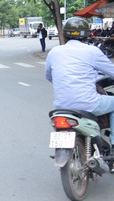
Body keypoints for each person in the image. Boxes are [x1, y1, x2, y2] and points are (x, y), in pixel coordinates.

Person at [46, 17, 114, 150]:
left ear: (65, 34)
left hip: (61, 107)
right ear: (87, 34)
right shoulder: (92, 51)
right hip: (89, 105)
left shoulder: (54, 52)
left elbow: (49, 76)